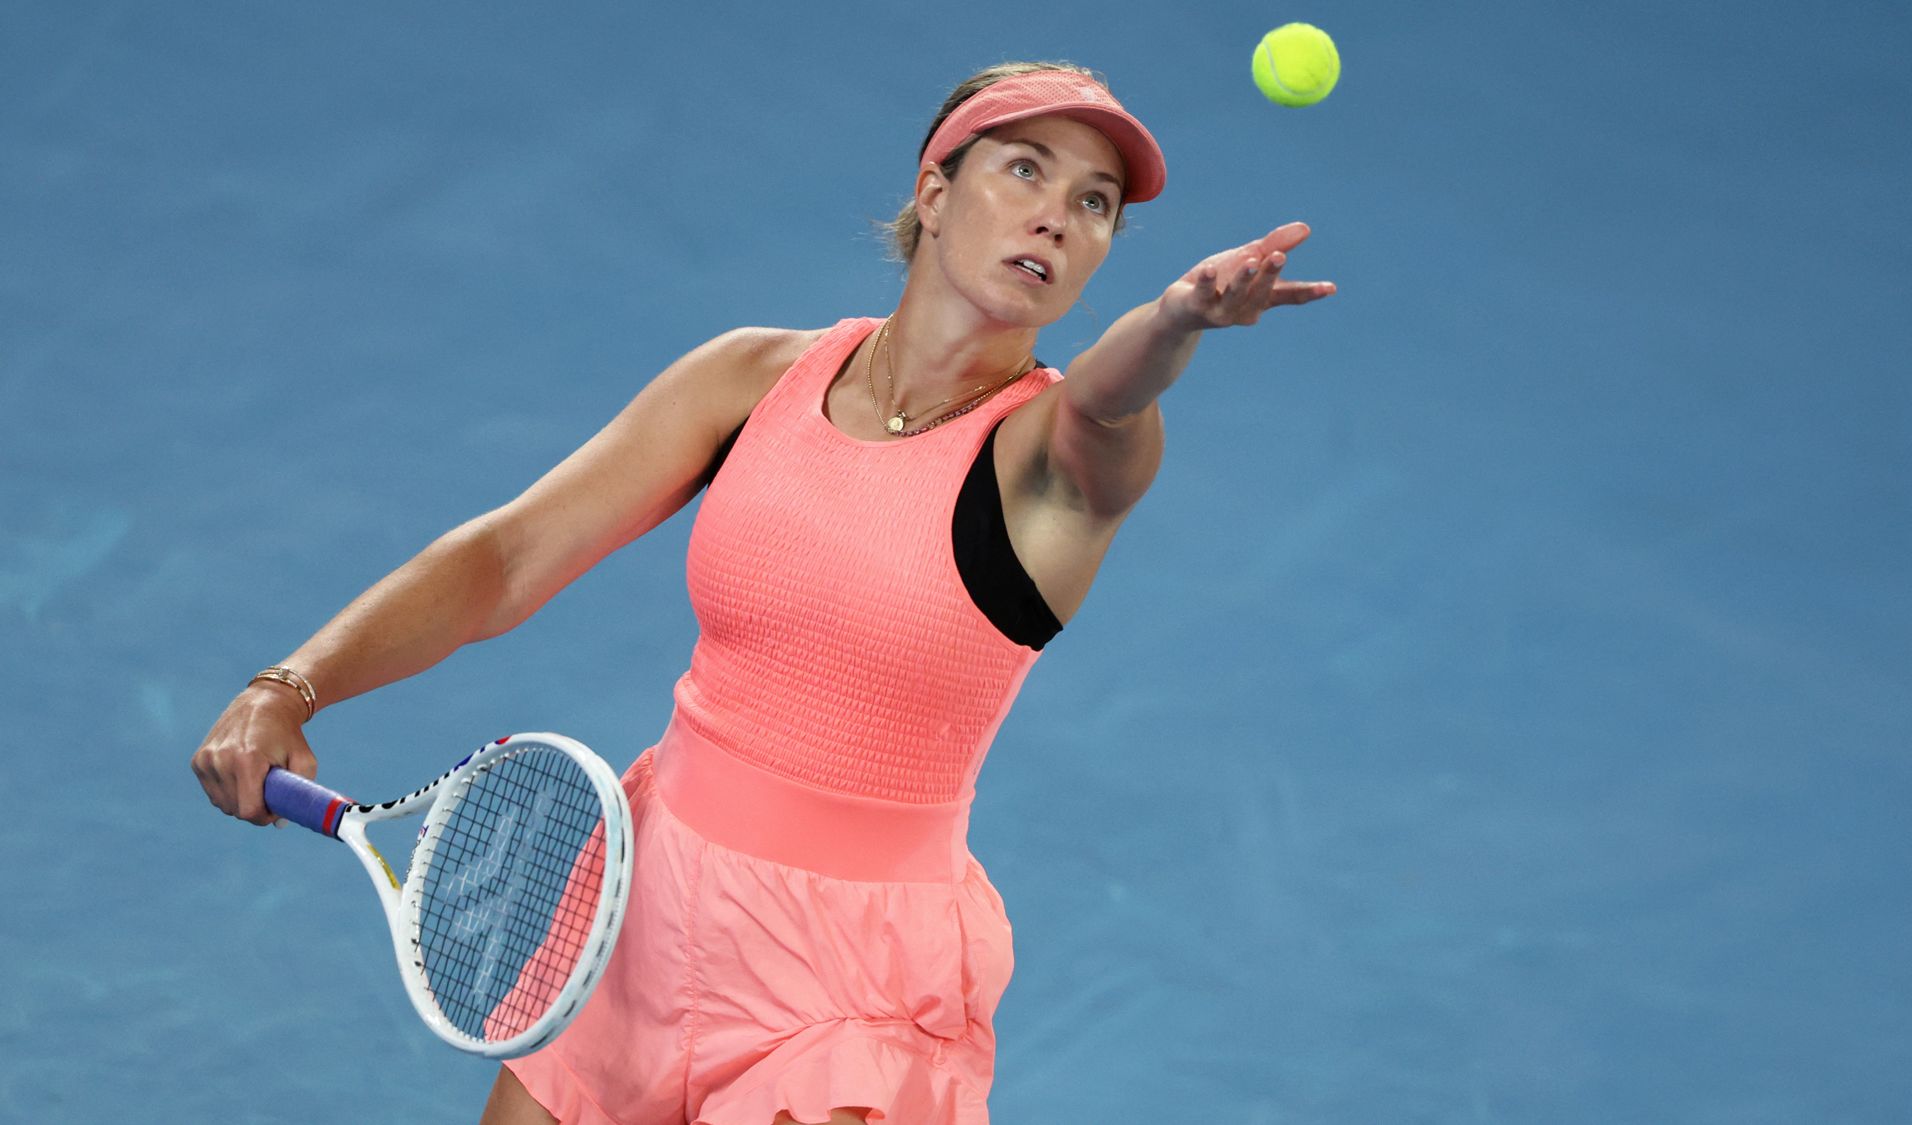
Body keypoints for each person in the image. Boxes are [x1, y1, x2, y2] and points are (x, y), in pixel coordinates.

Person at [191, 60, 1335, 1125]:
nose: (1054, 214)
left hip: (848, 985)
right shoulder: (752, 378)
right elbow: (509, 555)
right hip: (639, 908)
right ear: (934, 192)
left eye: (1094, 204)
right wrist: (290, 685)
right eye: (1023, 169)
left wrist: (1177, 322)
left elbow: (1108, 400)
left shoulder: (1055, 463)